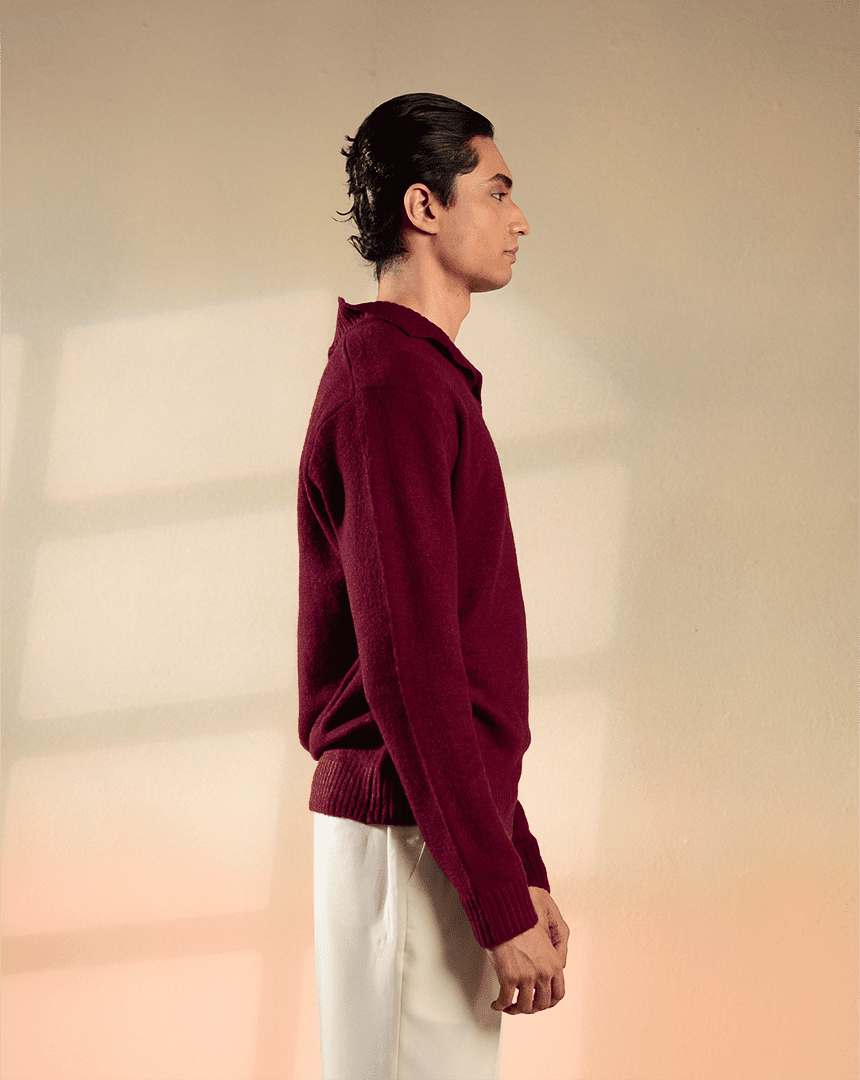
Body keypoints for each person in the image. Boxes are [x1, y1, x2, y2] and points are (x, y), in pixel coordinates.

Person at [297, 92, 570, 1080]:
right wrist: (493, 892)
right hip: (405, 831)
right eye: (496, 190)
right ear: (424, 206)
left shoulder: (419, 380)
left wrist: (515, 861)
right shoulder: (393, 388)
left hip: (433, 830)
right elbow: (411, 671)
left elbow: (463, 667)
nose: (519, 218)